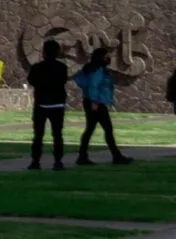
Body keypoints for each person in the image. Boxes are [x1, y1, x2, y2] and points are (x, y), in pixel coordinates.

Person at [74, 47, 132, 166]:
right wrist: (94, 102)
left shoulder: (91, 69)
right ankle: (116, 156)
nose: (108, 59)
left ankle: (82, 156)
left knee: (90, 129)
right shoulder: (98, 70)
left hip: (91, 102)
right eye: (106, 56)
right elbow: (93, 86)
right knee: (107, 129)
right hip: (96, 103)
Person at [28, 38, 70, 171]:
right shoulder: (62, 67)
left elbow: (32, 80)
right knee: (57, 134)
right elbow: (63, 81)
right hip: (57, 104)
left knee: (38, 134)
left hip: (42, 104)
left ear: (44, 52)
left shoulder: (37, 67)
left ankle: (35, 161)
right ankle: (58, 162)